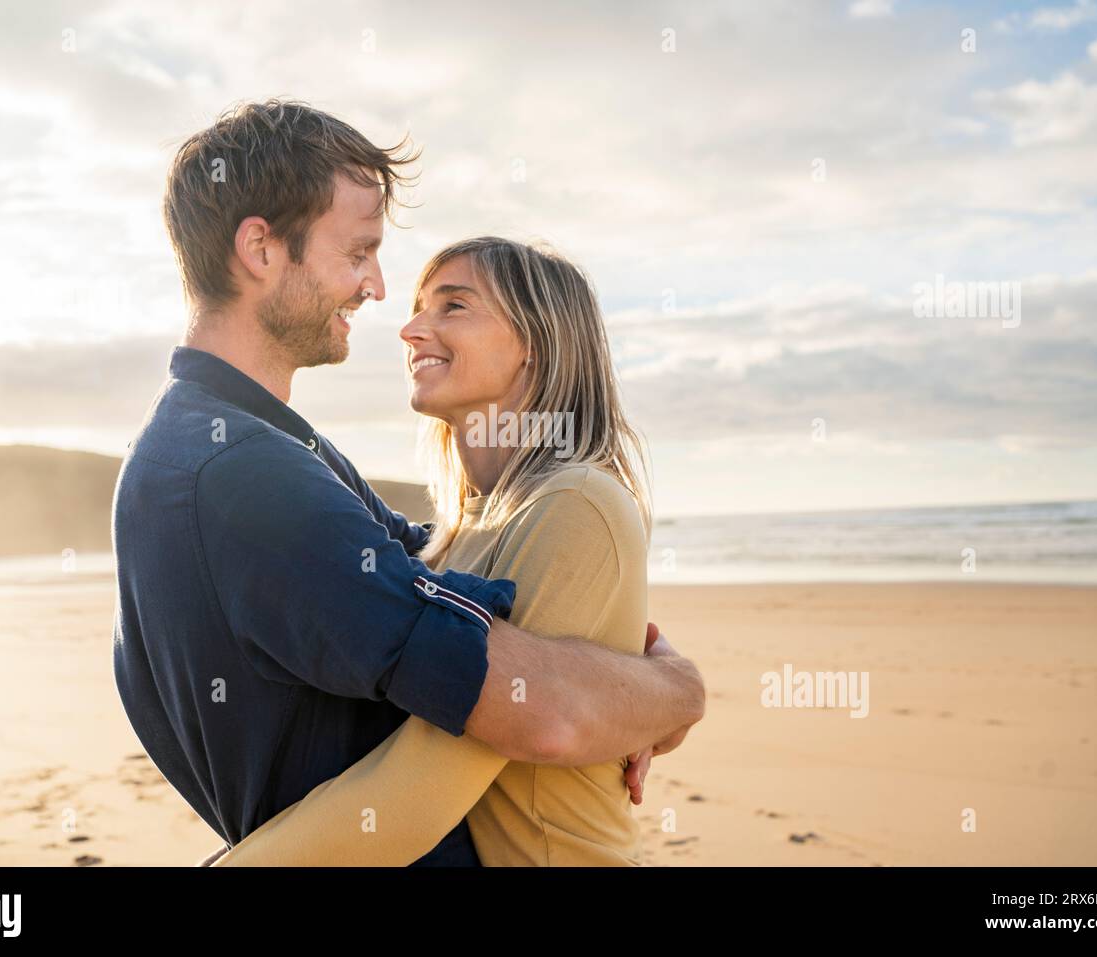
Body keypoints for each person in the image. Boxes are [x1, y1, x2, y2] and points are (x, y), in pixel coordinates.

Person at [111, 99, 706, 866]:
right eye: (358, 251)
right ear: (260, 248)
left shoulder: (249, 450)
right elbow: (531, 708)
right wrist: (672, 692)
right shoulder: (244, 475)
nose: (378, 290)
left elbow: (442, 561)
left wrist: (614, 656)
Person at [213, 237, 685, 866]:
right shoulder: (459, 531)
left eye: (453, 307)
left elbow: (422, 788)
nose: (411, 330)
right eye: (418, 308)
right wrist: (665, 695)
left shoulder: (577, 504)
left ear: (537, 344)